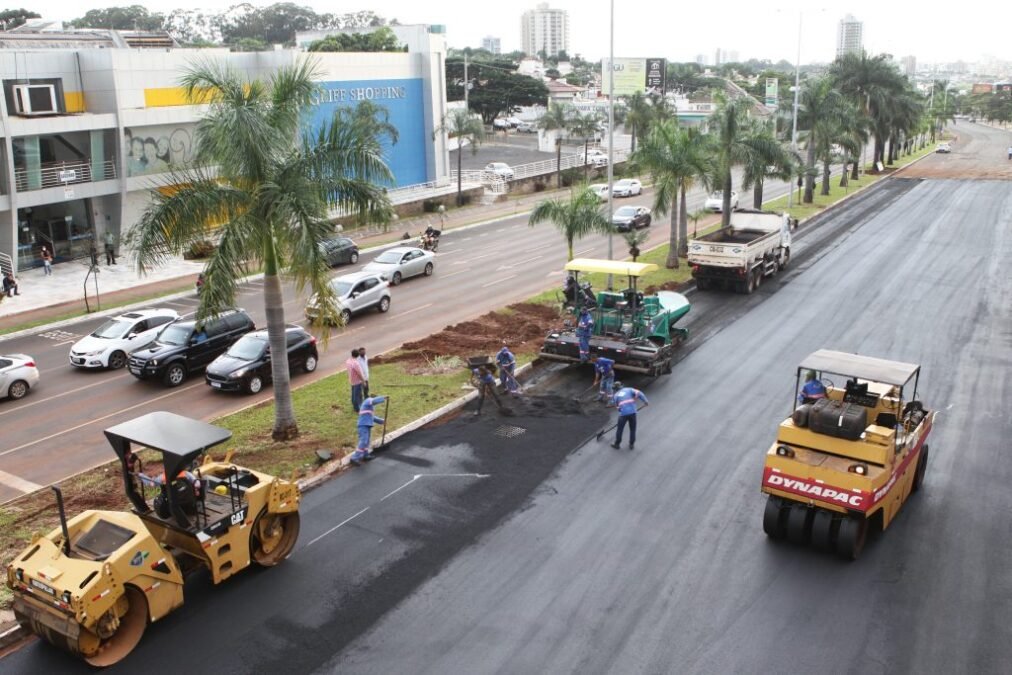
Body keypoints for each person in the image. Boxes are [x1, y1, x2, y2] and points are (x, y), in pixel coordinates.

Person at [611, 382, 649, 450]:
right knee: (632, 429)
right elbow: (639, 393)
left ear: (615, 389)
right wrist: (645, 401)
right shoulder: (629, 389)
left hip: (623, 415)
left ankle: (617, 444)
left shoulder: (615, 396)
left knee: (620, 429)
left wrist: (622, 412)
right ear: (621, 386)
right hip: (632, 413)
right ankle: (631, 444)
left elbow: (618, 407)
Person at [350, 394, 386, 465]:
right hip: (363, 425)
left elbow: (373, 418)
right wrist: (383, 398)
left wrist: (382, 421)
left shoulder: (369, 408)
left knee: (367, 441)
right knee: (363, 441)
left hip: (367, 425)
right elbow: (374, 401)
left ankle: (365, 455)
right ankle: (354, 458)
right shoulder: (367, 401)